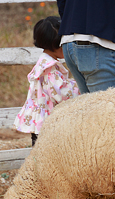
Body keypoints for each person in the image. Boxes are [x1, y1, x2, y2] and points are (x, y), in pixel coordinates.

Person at [13, 16, 80, 147]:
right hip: (47, 122)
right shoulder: (49, 68)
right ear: (56, 44)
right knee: (48, 152)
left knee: (39, 151)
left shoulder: (44, 62)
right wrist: (79, 87)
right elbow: (60, 93)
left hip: (42, 120)